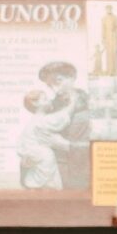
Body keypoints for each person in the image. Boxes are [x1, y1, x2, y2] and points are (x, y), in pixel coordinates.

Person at [16, 59, 90, 189]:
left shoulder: (93, 106)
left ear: (72, 77)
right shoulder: (48, 110)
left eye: (58, 81)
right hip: (50, 182)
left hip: (79, 183)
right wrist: (26, 164)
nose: (55, 90)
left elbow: (105, 151)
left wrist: (67, 146)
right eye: (50, 86)